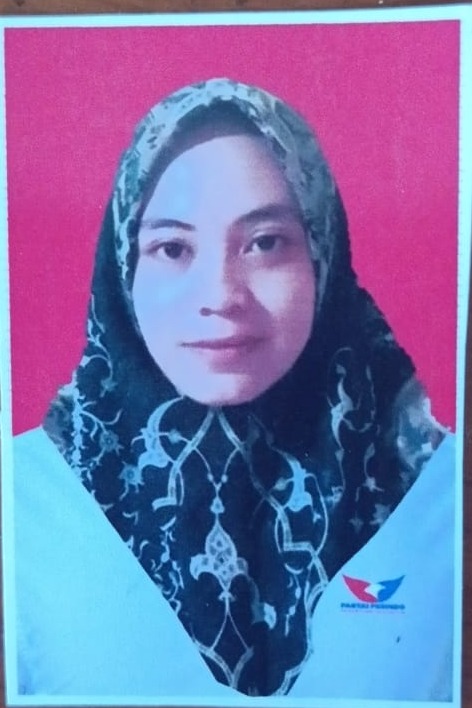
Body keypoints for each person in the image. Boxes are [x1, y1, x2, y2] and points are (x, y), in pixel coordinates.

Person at [12, 78, 455, 701]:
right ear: (124, 267)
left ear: (322, 255)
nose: (219, 296)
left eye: (265, 244)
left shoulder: (440, 493)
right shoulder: (25, 498)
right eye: (172, 248)